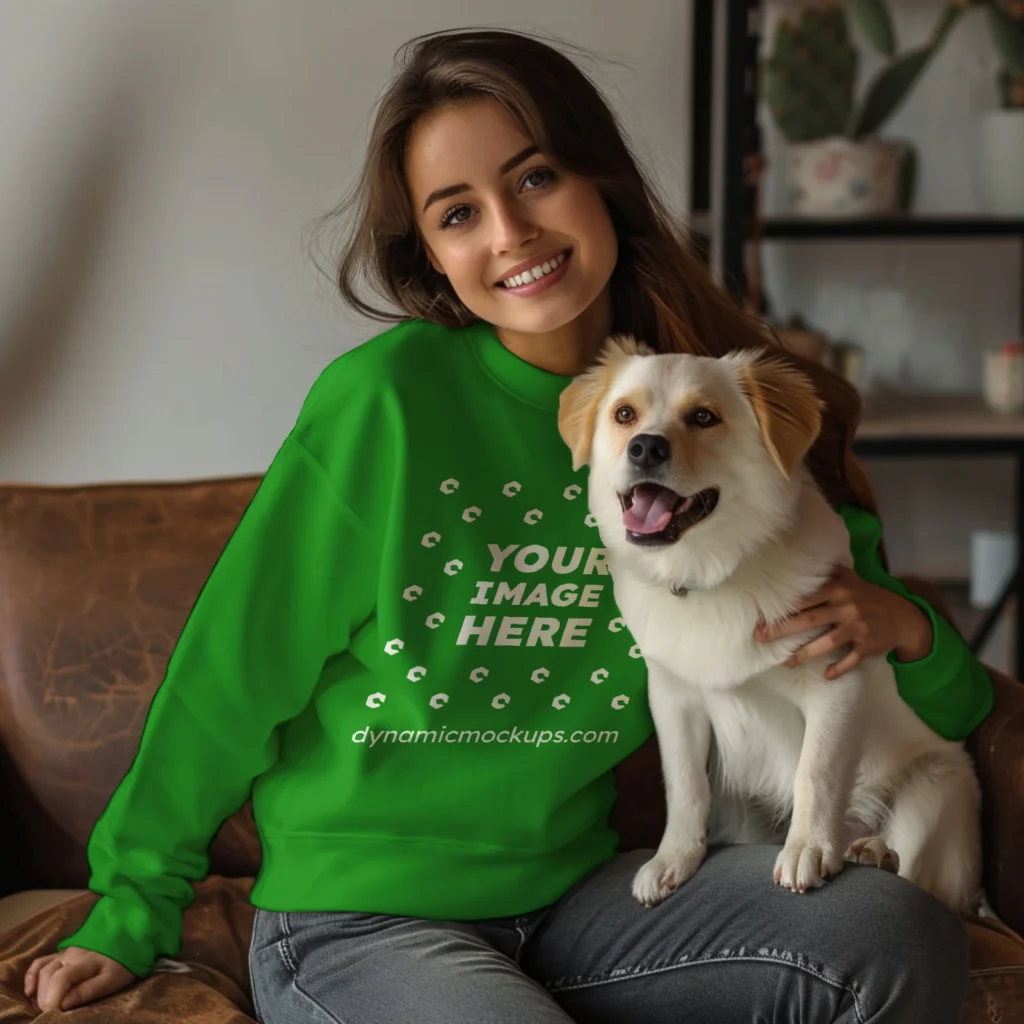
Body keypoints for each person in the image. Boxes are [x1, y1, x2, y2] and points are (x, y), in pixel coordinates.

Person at [25, 27, 993, 1023]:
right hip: (360, 919)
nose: (509, 232)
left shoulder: (716, 409)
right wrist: (130, 905)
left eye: (534, 179)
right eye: (458, 214)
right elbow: (230, 673)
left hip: (579, 901)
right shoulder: (385, 405)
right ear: (436, 260)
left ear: (600, 179)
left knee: (886, 935)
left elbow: (931, 694)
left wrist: (910, 631)